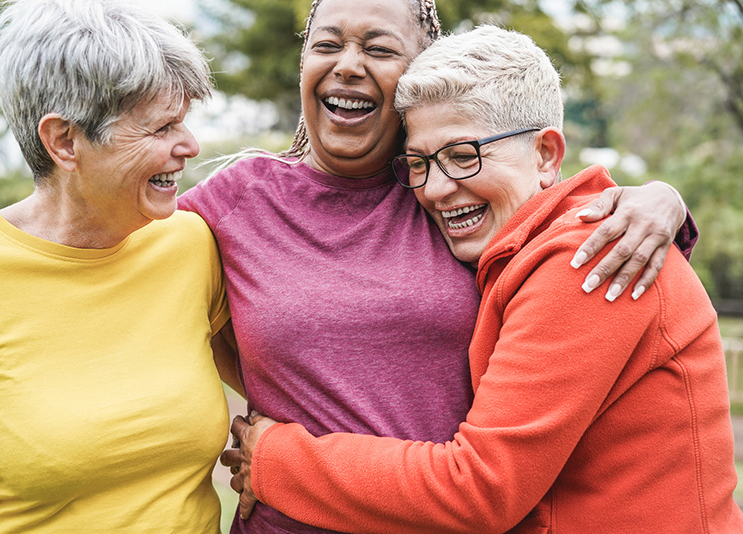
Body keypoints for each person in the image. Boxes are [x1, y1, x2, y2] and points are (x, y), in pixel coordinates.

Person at [178, 0, 695, 532]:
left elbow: (553, 193)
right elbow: (132, 265)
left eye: (379, 48)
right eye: (326, 45)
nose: (349, 65)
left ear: (417, 71)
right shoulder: (237, 202)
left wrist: (659, 199)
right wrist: (267, 382)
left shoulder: (450, 197)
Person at [0, 1, 238, 532]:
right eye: (160, 128)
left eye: (185, 122)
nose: (190, 146)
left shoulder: (191, 244)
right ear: (64, 141)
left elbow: (281, 394)